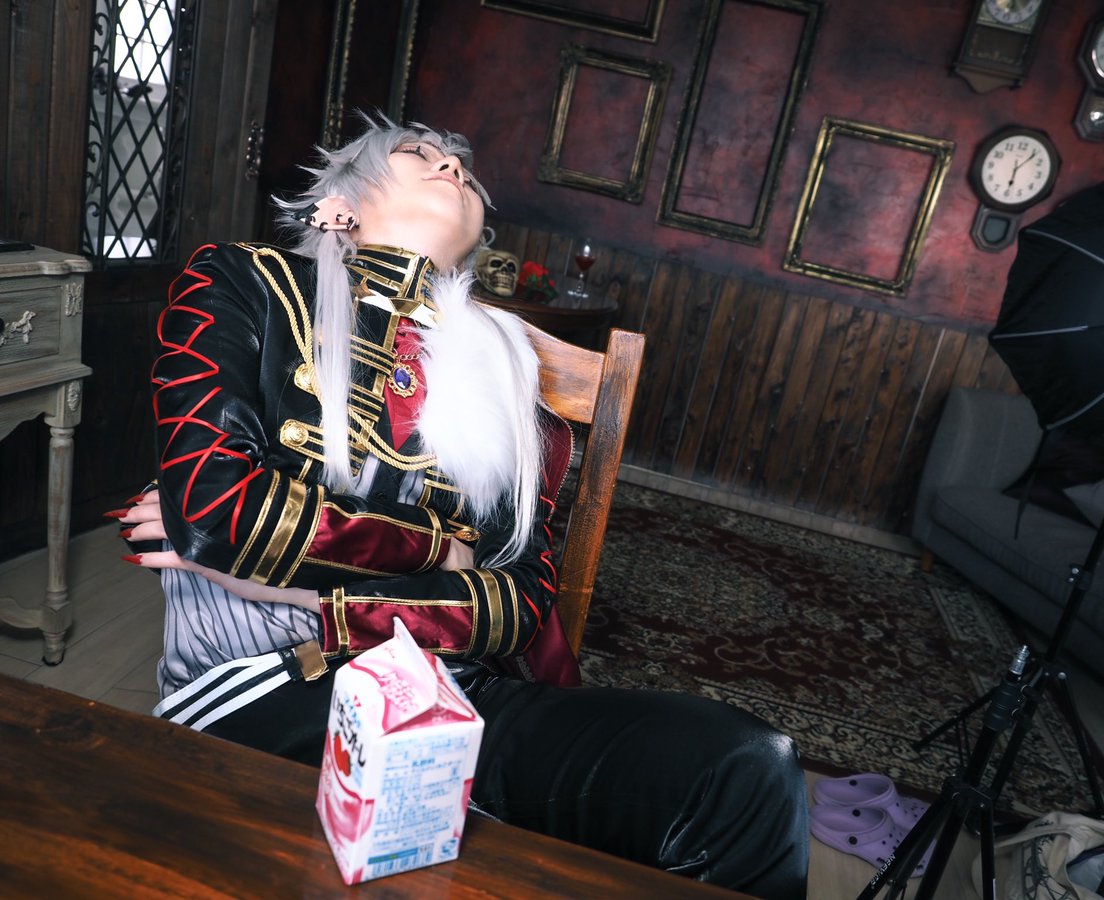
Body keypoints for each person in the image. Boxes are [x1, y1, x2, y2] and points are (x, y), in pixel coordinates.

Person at [115, 114, 809, 897]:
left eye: (464, 170)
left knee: (744, 767)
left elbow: (519, 600)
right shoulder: (245, 282)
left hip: (448, 692)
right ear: (341, 201)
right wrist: (441, 549)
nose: (450, 166)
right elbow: (219, 513)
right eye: (417, 153)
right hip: (264, 695)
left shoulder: (504, 364)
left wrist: (310, 592)